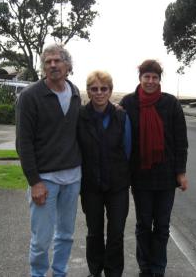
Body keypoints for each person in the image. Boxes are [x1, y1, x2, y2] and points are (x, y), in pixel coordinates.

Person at [16, 44, 81, 277]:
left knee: (66, 234)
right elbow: (23, 143)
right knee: (41, 239)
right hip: (45, 180)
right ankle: (38, 274)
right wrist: (35, 181)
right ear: (43, 67)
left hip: (73, 178)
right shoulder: (30, 96)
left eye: (57, 61)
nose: (52, 65)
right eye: (48, 62)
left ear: (68, 66)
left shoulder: (74, 93)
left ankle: (60, 272)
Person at [120, 60, 188, 277]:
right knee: (143, 225)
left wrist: (181, 173)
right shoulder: (128, 103)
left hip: (166, 177)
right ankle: (145, 268)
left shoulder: (171, 104)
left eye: (154, 77)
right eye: (146, 77)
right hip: (140, 177)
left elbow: (180, 141)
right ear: (140, 78)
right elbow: (117, 135)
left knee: (161, 226)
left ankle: (158, 269)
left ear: (159, 80)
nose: (150, 81)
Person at [77, 70, 132, 277]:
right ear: (89, 91)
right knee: (94, 233)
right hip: (90, 185)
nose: (99, 93)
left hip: (117, 185)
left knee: (116, 233)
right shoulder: (80, 116)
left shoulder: (121, 116)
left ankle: (113, 272)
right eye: (94, 89)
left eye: (103, 89)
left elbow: (127, 149)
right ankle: (95, 270)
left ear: (110, 91)